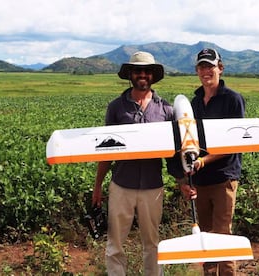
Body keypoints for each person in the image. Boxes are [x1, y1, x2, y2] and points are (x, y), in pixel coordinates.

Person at [92, 51, 182, 276]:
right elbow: (106, 150)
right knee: (115, 244)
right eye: (138, 71)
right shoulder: (116, 107)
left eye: (147, 71)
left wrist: (183, 182)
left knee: (152, 243)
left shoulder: (166, 110)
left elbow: (173, 155)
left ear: (153, 76)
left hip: (153, 187)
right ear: (130, 75)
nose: (143, 75)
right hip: (121, 185)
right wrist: (98, 185)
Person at [179, 48, 246, 276]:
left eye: (210, 66)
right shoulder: (195, 102)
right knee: (205, 235)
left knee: (222, 235)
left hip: (223, 178)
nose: (206, 71)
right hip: (200, 180)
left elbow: (235, 142)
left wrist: (203, 161)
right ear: (197, 71)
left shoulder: (232, 100)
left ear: (220, 68)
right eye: (202, 67)